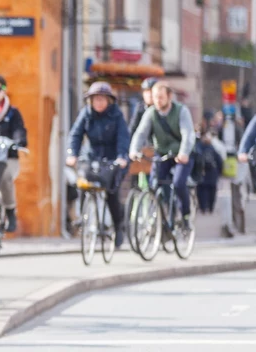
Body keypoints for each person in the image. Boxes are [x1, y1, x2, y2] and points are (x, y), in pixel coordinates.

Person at [67, 82, 131, 246]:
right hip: (91, 156)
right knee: (83, 183)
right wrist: (72, 154)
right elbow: (76, 134)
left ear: (109, 101)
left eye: (102, 99)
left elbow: (123, 138)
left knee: (111, 194)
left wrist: (122, 157)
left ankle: (118, 227)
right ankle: (83, 217)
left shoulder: (116, 115)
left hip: (112, 158)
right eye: (95, 99)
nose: (99, 103)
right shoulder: (86, 114)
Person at [130, 81, 197, 228]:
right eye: (155, 97)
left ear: (169, 96)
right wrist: (134, 150)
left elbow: (188, 134)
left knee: (179, 183)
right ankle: (165, 215)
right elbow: (140, 133)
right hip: (162, 154)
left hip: (181, 155)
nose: (157, 101)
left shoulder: (181, 111)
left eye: (161, 97)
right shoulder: (151, 113)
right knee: (154, 184)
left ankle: (185, 215)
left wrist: (184, 153)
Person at [0, 73, 27, 232]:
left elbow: (19, 131)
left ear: (4, 90)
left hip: (8, 158)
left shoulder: (12, 113)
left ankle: (10, 211)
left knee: (5, 177)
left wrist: (17, 142)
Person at [193, 117, 223, 214]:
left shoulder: (198, 147)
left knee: (201, 191)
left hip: (201, 173)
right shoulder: (212, 147)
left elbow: (194, 159)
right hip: (212, 173)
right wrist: (219, 172)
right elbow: (219, 160)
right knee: (212, 191)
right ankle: (210, 208)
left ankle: (203, 208)